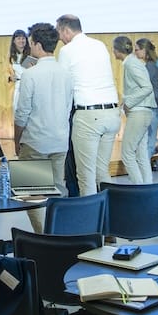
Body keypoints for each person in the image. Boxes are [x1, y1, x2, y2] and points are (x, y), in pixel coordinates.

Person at [56, 14, 120, 196]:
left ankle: (90, 214)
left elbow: (63, 85)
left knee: (86, 176)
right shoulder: (99, 45)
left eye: (59, 32)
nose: (59, 38)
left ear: (66, 30)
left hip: (89, 116)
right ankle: (110, 210)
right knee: (102, 171)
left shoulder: (67, 51)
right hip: (112, 113)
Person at [13, 22, 73, 202]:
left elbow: (22, 114)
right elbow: (67, 108)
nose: (29, 46)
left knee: (32, 197)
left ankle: (41, 223)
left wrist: (17, 140)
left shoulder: (30, 74)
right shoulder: (66, 74)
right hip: (60, 141)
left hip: (35, 142)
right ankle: (54, 221)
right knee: (57, 194)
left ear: (38, 45)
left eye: (31, 42)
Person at [113, 36, 154, 184]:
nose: (112, 51)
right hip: (142, 111)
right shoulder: (132, 62)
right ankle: (147, 187)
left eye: (113, 48)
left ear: (118, 50)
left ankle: (139, 187)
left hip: (139, 112)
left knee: (127, 153)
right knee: (141, 154)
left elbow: (147, 87)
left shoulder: (131, 63)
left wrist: (128, 102)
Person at [136, 38, 158, 169]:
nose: (135, 53)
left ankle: (144, 170)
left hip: (153, 105)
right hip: (156, 104)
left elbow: (145, 88)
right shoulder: (154, 65)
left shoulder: (150, 67)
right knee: (149, 139)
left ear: (144, 50)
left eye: (137, 50)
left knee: (149, 139)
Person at [8, 29, 34, 114]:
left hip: (29, 85)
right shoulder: (11, 56)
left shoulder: (32, 53)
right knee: (16, 109)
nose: (21, 41)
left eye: (23, 38)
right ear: (14, 41)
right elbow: (5, 71)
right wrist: (10, 77)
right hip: (17, 85)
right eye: (18, 38)